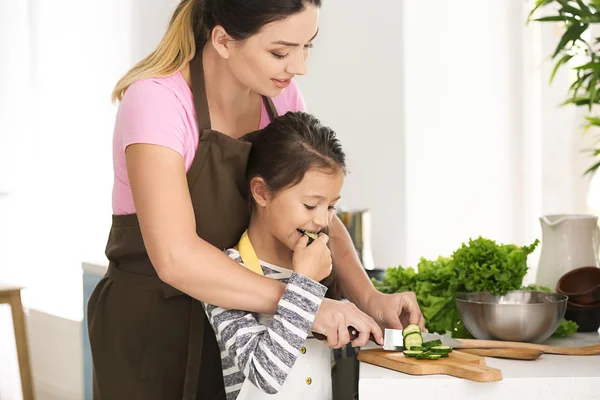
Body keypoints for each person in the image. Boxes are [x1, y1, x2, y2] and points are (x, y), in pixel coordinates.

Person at [87, 0, 425, 399]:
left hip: (249, 334)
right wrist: (305, 305)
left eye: (308, 46)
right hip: (154, 336)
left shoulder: (280, 98)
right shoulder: (157, 101)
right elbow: (175, 257)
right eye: (280, 52)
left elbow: (313, 212)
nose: (299, 66)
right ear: (224, 40)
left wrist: (369, 297)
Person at [203, 111, 348, 400]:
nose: (322, 221)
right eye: (310, 206)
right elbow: (264, 374)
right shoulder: (227, 272)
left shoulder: (319, 265)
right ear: (262, 193)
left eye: (331, 207)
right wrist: (305, 282)